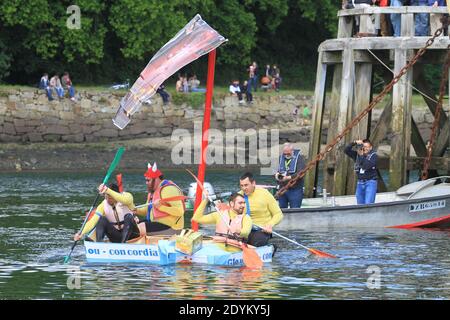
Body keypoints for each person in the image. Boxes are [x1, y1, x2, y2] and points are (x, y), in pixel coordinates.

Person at [73, 183, 140, 243]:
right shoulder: (103, 205)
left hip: (132, 234)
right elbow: (93, 221)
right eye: (106, 197)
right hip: (117, 236)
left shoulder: (127, 197)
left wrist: (107, 190)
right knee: (102, 219)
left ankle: (122, 245)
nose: (108, 200)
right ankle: (99, 244)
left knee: (128, 216)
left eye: (110, 198)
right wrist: (81, 233)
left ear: (116, 195)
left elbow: (125, 200)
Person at [134, 163, 185, 235]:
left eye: (148, 180)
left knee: (139, 227)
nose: (146, 183)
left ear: (156, 179)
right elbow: (146, 211)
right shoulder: (152, 192)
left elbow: (180, 211)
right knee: (133, 224)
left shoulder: (168, 189)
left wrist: (161, 207)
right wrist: (135, 210)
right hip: (157, 224)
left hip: (172, 228)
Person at [238, 172, 283, 247]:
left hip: (262, 229)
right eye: (241, 186)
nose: (244, 188)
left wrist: (270, 225)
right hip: (244, 230)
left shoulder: (265, 194)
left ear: (253, 183)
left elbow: (278, 214)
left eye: (246, 185)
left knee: (256, 243)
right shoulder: (239, 195)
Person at [344, 139, 378, 204]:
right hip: (360, 183)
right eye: (363, 146)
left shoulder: (374, 156)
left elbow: (366, 166)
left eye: (366, 147)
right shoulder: (357, 155)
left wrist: (362, 156)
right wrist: (354, 142)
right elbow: (346, 150)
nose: (364, 148)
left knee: (368, 204)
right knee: (360, 204)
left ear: (370, 147)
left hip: (370, 182)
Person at [275, 143, 306, 208]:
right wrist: (277, 175)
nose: (286, 155)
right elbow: (274, 171)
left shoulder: (300, 159)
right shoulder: (280, 159)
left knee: (295, 209)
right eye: (284, 154)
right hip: (282, 188)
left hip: (295, 190)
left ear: (292, 151)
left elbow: (301, 173)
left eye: (288, 153)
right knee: (282, 209)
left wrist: (288, 177)